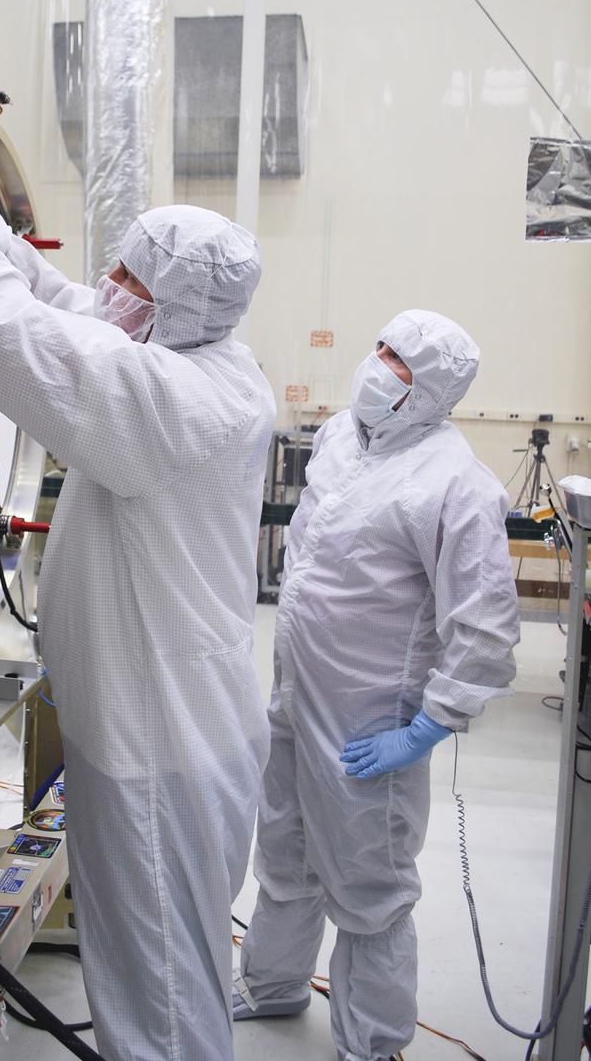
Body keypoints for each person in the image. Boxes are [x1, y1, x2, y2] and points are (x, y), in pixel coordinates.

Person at [0, 152, 276, 1061]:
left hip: (159, 744)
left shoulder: (171, 399)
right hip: (178, 728)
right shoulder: (198, 353)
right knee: (164, 962)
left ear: (170, 304)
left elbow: (28, 342)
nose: (107, 285)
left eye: (128, 275)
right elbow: (73, 305)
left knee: (156, 986)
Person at [233, 309, 519, 1061]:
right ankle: (272, 986)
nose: (378, 364)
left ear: (430, 388)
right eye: (381, 348)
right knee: (285, 852)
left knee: (369, 889)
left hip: (369, 721)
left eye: (398, 360)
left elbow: (483, 625)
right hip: (295, 694)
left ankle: (371, 1043)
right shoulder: (336, 436)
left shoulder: (458, 484)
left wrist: (427, 726)